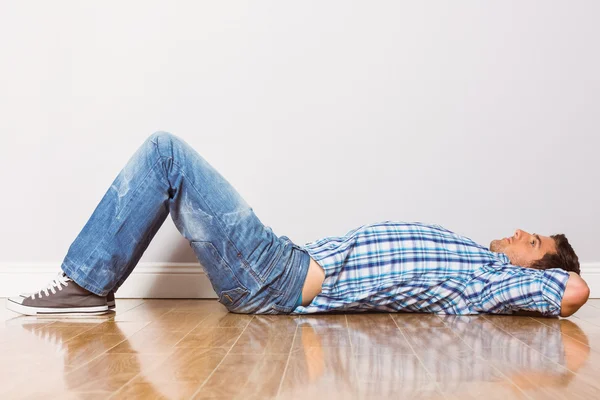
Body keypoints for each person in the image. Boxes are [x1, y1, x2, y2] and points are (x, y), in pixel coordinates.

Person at [6, 132, 590, 318]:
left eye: (532, 241)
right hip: (277, 263)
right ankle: (90, 283)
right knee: (168, 161)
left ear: (534, 268)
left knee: (165, 152)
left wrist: (547, 277)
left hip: (275, 277)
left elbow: (575, 291)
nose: (520, 232)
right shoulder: (473, 255)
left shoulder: (493, 282)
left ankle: (87, 285)